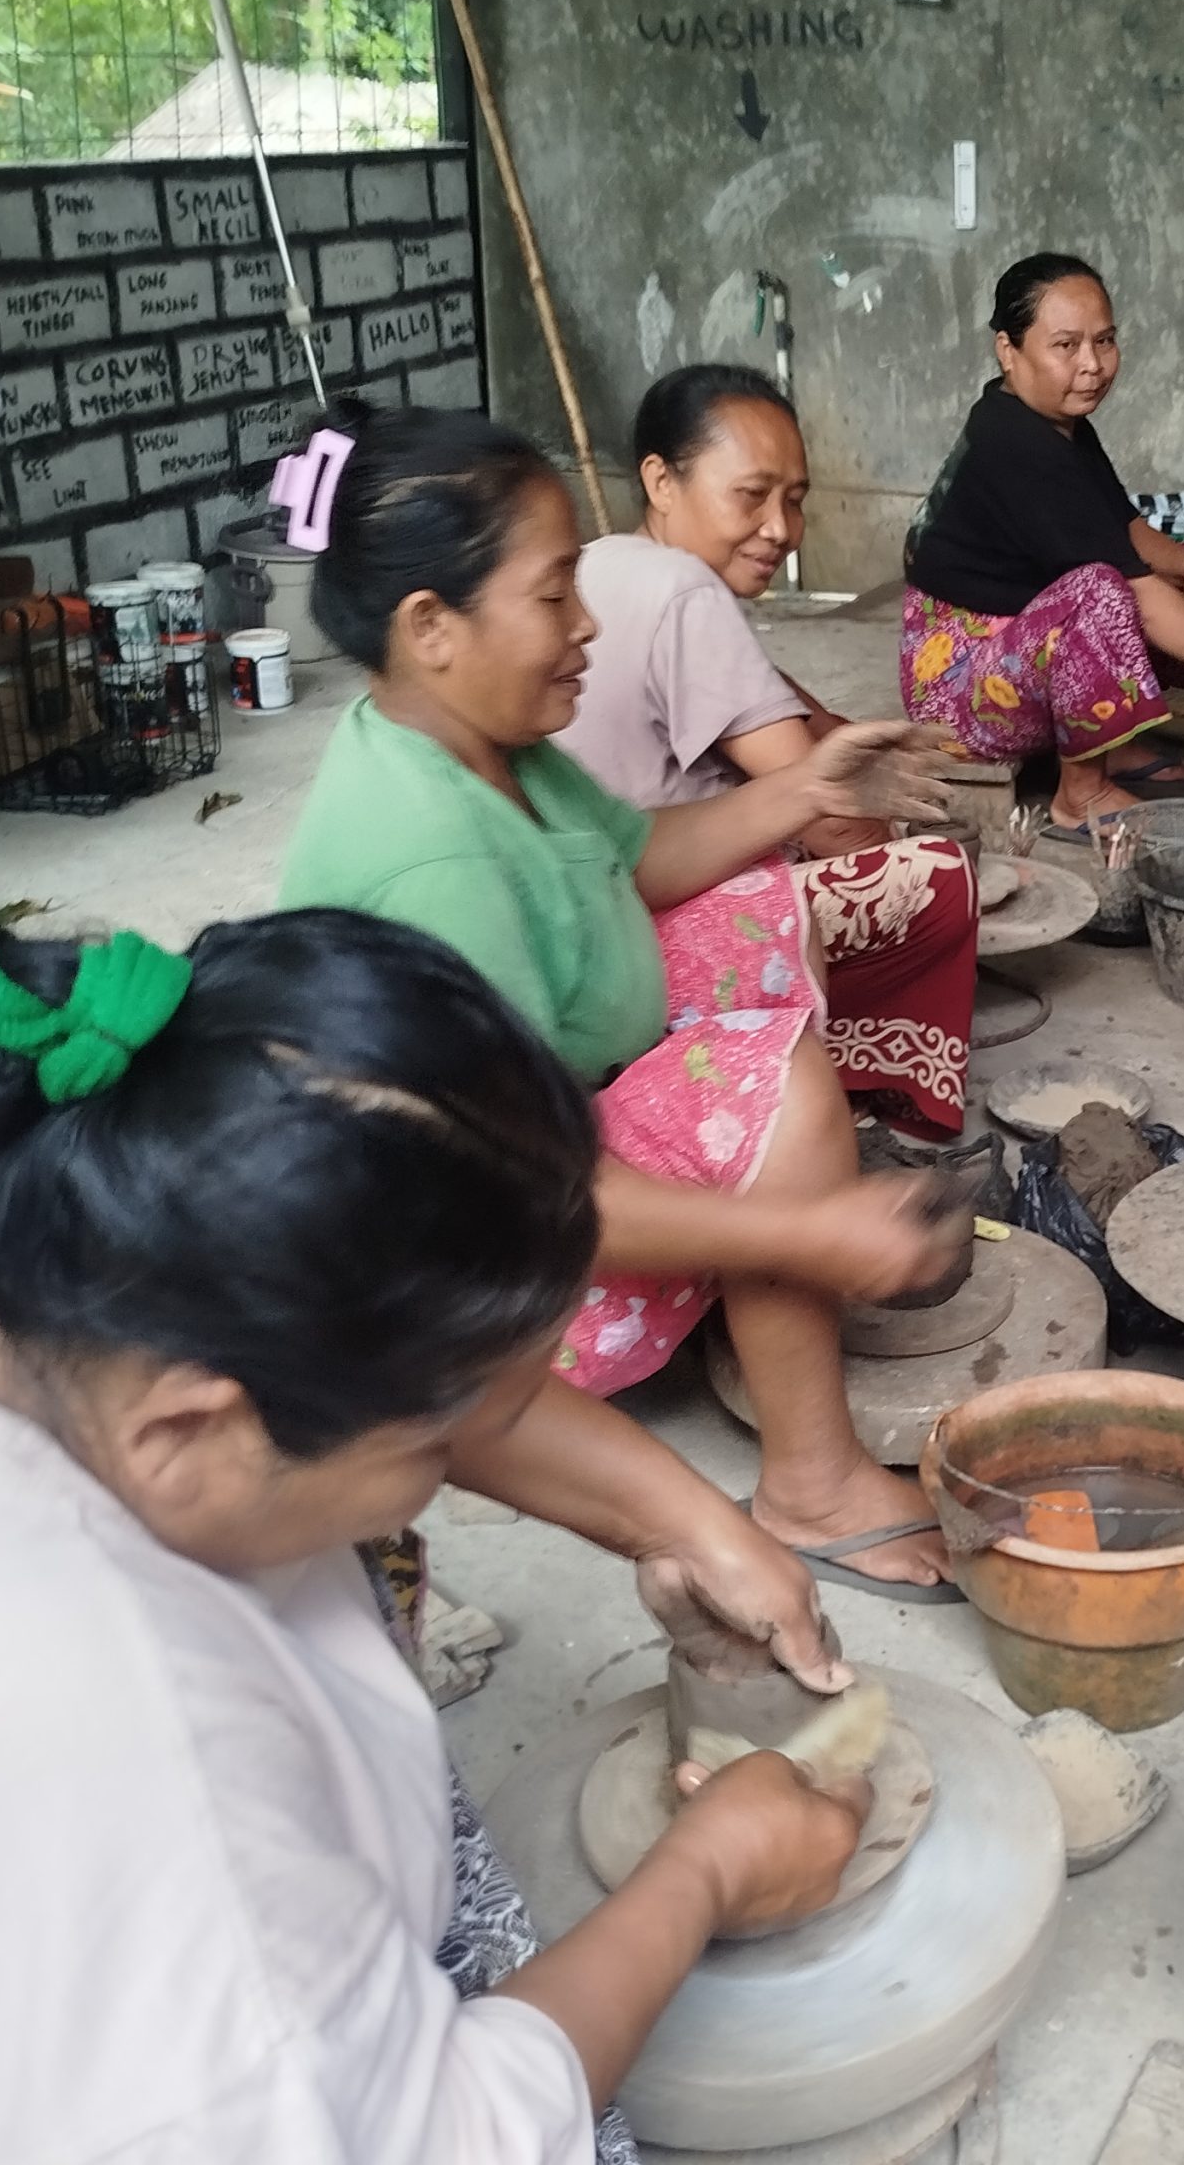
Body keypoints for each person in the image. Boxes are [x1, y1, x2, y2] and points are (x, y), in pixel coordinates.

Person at [0, 903, 868, 2161]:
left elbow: (380, 1356)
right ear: (192, 1432)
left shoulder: (9, 1146)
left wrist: (683, 1514)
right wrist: (706, 1872)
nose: (453, 1458)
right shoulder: (121, 1768)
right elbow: (430, 2137)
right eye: (432, 1449)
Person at [277, 400, 961, 1593]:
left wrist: (802, 789)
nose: (588, 623)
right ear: (430, 625)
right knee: (782, 1090)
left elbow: (635, 859)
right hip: (480, 1291)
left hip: (531, 1103)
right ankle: (814, 1481)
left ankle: (757, 1277)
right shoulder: (433, 861)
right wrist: (815, 1230)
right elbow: (529, 1185)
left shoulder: (478, 738)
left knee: (753, 903)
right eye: (554, 595)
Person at [564, 363, 978, 1140]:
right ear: (660, 480)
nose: (782, 529)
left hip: (587, 908)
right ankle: (853, 1091)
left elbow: (790, 721)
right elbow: (837, 826)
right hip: (637, 938)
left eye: (795, 500)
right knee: (938, 878)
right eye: (750, 496)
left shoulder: (594, 565)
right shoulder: (685, 593)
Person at [901, 252, 1184, 835]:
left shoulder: (1058, 424)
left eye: (1105, 341)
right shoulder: (1016, 447)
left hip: (1017, 644)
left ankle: (1110, 740)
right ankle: (1081, 793)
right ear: (1007, 350)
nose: (1093, 365)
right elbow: (1135, 593)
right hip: (960, 689)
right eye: (1066, 346)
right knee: (1102, 593)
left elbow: (1124, 525)